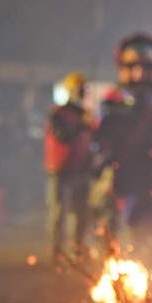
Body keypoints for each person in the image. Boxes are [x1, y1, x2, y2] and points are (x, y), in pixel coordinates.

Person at [93, 31, 152, 258]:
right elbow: (100, 140)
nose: (139, 74)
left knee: (150, 230)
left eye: (148, 67)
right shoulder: (111, 103)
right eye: (133, 66)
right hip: (119, 176)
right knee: (114, 228)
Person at [44, 71, 96, 266]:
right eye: (79, 89)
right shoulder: (59, 113)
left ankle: (78, 250)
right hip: (61, 171)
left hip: (81, 170)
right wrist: (81, 126)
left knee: (81, 213)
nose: (82, 93)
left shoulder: (84, 115)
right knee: (59, 213)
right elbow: (62, 135)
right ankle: (57, 252)